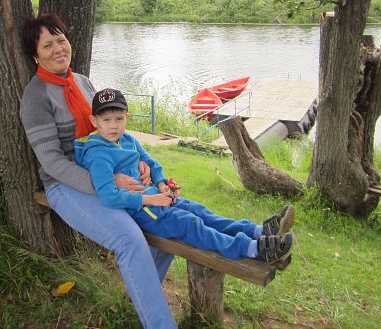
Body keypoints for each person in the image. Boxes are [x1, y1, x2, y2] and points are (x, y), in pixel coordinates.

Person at [19, 13, 177, 329]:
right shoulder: (35, 98)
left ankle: (140, 299)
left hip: (107, 172)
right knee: (129, 239)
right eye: (47, 45)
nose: (58, 48)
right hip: (65, 185)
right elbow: (52, 163)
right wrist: (105, 181)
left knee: (169, 217)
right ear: (35, 56)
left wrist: (135, 162)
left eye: (61, 40)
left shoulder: (82, 82)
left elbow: (107, 136)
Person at [75, 88, 295, 263]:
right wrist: (152, 199)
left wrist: (162, 183)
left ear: (127, 118)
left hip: (157, 197)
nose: (113, 126)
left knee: (199, 211)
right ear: (94, 121)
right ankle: (251, 249)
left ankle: (257, 230)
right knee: (189, 223)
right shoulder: (98, 154)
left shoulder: (128, 140)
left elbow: (151, 162)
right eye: (106, 120)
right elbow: (108, 197)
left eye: (118, 119)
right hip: (141, 210)